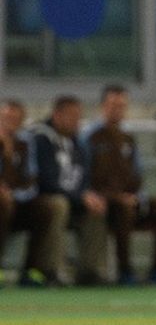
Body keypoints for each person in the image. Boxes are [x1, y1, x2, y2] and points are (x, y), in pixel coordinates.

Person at [80, 85, 156, 285]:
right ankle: (125, 270)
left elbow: (136, 173)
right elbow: (84, 175)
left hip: (128, 197)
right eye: (113, 105)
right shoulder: (89, 136)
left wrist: (138, 196)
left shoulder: (128, 137)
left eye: (122, 106)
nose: (118, 110)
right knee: (124, 209)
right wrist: (110, 196)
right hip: (102, 199)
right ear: (103, 107)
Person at [28, 95, 107, 285]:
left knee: (96, 207)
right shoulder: (41, 139)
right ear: (57, 115)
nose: (77, 121)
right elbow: (46, 181)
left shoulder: (79, 144)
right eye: (72, 116)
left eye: (79, 116)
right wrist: (79, 197)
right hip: (43, 200)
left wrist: (87, 195)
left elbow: (83, 177)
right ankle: (53, 270)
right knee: (59, 204)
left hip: (73, 198)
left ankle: (90, 271)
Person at [0, 99, 68, 287]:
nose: (10, 122)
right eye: (6, 118)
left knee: (48, 208)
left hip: (18, 201)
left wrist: (15, 196)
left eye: (15, 119)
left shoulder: (26, 143)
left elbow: (31, 181)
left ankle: (32, 269)